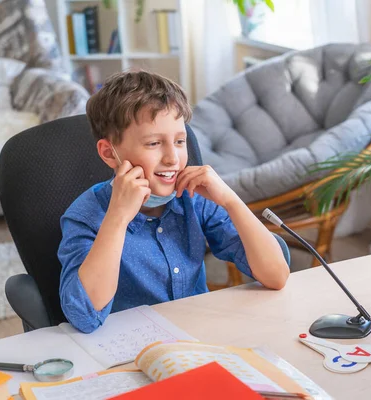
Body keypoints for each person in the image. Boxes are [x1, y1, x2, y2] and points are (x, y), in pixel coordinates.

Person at [58, 71, 290, 333]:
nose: (173, 158)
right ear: (109, 153)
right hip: (130, 350)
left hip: (197, 337)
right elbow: (84, 316)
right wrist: (118, 218)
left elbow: (276, 275)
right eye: (154, 143)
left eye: (180, 141)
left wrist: (230, 200)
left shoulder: (194, 198)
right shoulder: (85, 216)